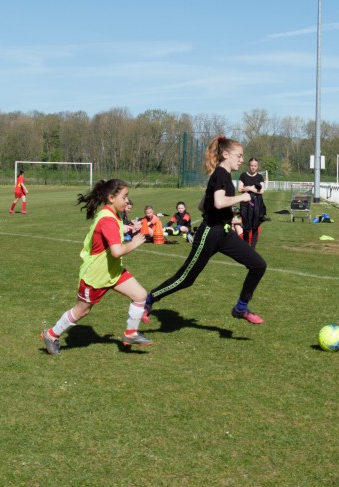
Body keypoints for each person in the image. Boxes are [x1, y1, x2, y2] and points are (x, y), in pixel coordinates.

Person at [142, 136, 267, 325]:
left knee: (258, 265)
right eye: (239, 156)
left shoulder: (223, 176)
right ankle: (149, 300)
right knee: (186, 278)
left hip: (225, 234)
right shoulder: (221, 174)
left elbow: (204, 205)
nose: (242, 160)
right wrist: (241, 198)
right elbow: (218, 202)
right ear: (226, 154)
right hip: (210, 234)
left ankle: (241, 307)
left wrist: (227, 213)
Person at [41, 179, 153, 355]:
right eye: (124, 197)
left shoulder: (111, 214)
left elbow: (116, 229)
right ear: (111, 198)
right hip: (96, 275)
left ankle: (130, 333)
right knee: (82, 311)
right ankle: (51, 334)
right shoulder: (107, 219)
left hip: (112, 271)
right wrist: (136, 242)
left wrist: (130, 228)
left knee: (140, 295)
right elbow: (116, 251)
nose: (127, 201)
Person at [237, 157, 268, 247]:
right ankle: (246, 246)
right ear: (249, 165)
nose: (253, 167)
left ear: (257, 166)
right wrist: (254, 189)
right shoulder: (243, 175)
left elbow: (261, 191)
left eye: (255, 166)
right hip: (245, 204)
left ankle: (253, 247)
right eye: (251, 165)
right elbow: (239, 189)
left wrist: (249, 188)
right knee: (246, 226)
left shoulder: (259, 177)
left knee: (255, 226)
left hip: (257, 204)